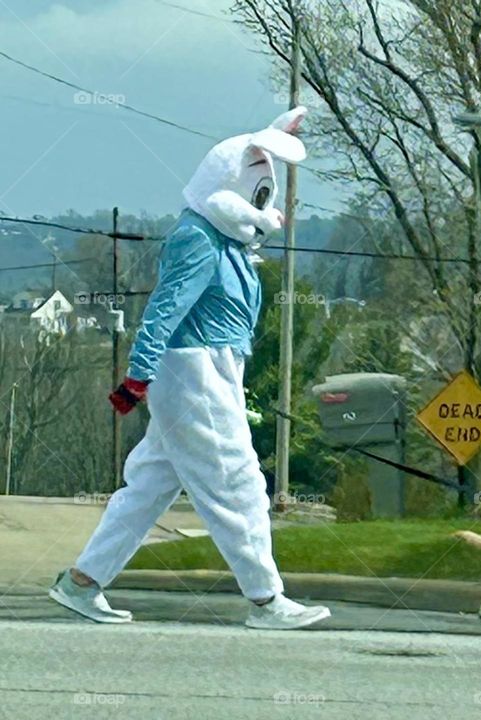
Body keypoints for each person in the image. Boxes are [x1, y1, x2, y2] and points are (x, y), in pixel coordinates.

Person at [49, 107, 330, 630]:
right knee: (236, 480)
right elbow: (165, 308)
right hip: (194, 371)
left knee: (151, 484)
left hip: (208, 368)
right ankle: (266, 600)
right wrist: (138, 375)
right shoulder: (197, 237)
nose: (266, 212)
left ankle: (81, 583)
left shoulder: (225, 241)